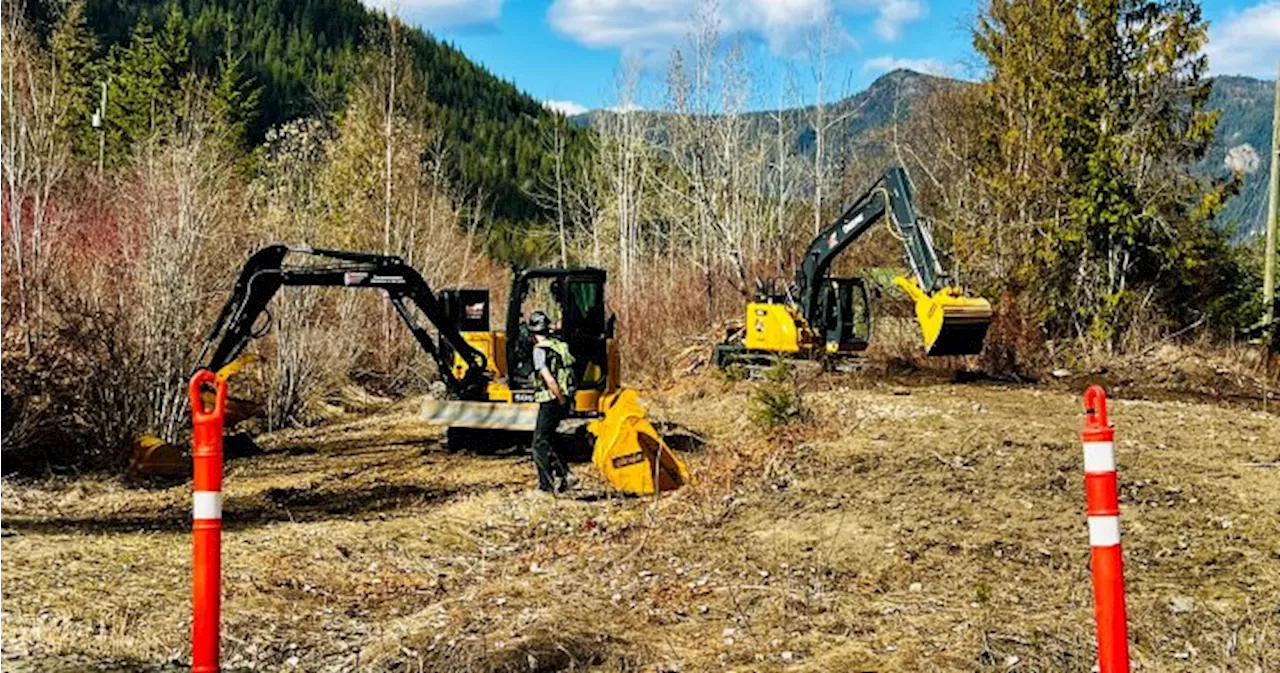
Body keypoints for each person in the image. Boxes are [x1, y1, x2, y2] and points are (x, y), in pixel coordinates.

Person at [527, 310, 577, 494]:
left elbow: (549, 379)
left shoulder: (540, 350)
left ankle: (546, 486)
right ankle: (566, 475)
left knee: (539, 443)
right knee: (551, 438)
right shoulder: (559, 345)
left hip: (551, 399)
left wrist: (559, 398)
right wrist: (565, 400)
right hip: (563, 398)